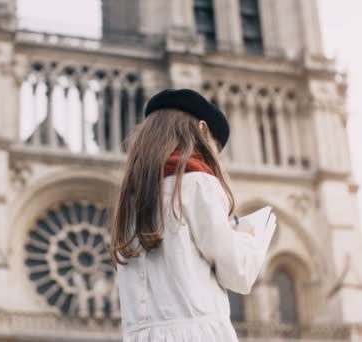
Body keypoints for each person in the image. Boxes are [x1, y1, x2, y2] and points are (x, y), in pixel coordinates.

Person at [110, 89, 270, 341]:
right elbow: (239, 273)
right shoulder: (197, 184)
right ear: (203, 130)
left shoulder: (130, 199)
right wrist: (247, 234)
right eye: (215, 147)